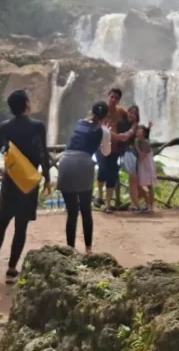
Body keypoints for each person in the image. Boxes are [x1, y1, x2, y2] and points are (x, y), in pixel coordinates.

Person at [0, 89, 50, 284]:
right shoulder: (38, 126)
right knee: (20, 227)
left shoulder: (4, 126)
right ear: (27, 104)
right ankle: (12, 270)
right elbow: (43, 152)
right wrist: (46, 176)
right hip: (28, 182)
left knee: (1, 224)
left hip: (10, 180)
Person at [56, 102, 109, 253]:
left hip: (65, 162)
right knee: (86, 210)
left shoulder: (79, 122)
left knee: (72, 212)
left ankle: (70, 250)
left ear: (91, 111)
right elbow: (105, 153)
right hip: (83, 165)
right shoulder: (103, 131)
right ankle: (88, 250)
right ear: (105, 116)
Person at [97, 88, 133, 212]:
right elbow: (96, 124)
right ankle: (99, 196)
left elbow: (133, 119)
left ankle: (107, 205)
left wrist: (130, 132)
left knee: (112, 175)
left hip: (115, 148)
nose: (113, 100)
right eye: (112, 97)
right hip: (101, 146)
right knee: (102, 170)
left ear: (119, 100)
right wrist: (117, 136)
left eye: (116, 98)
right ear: (108, 96)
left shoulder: (121, 111)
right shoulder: (101, 109)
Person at [120, 105, 143, 212]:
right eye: (130, 112)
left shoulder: (136, 126)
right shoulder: (122, 123)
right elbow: (124, 138)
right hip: (126, 153)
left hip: (134, 154)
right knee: (133, 179)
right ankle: (136, 205)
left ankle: (134, 204)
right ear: (127, 112)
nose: (132, 115)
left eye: (134, 114)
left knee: (134, 180)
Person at [134, 123, 157, 213]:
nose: (137, 131)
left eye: (140, 129)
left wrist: (136, 147)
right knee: (139, 185)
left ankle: (150, 206)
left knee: (149, 185)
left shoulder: (146, 143)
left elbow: (142, 155)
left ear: (143, 133)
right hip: (141, 163)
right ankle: (147, 203)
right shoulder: (137, 141)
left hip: (146, 164)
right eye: (137, 129)